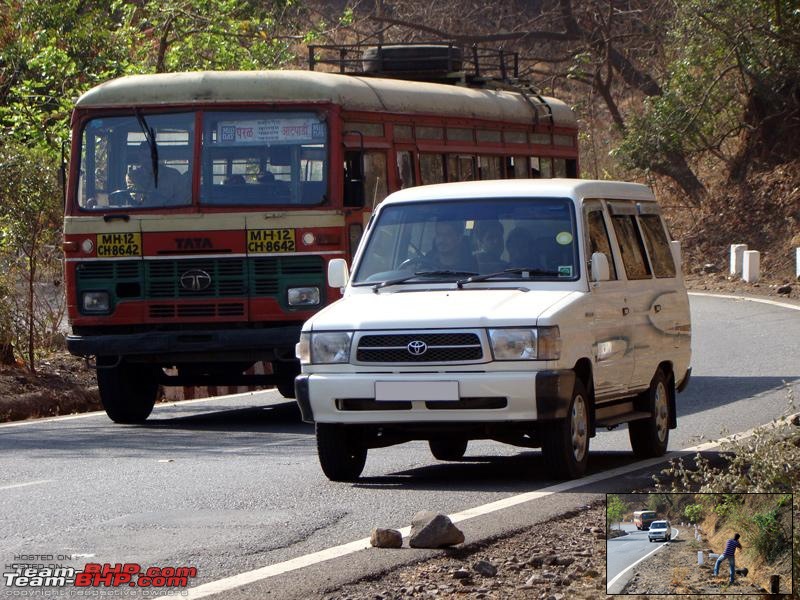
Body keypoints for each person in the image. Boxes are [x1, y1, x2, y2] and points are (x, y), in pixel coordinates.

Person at [125, 142, 189, 205]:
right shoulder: (133, 176)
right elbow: (137, 199)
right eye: (145, 156)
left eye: (151, 156)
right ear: (139, 157)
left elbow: (182, 199)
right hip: (143, 213)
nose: (148, 160)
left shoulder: (174, 175)